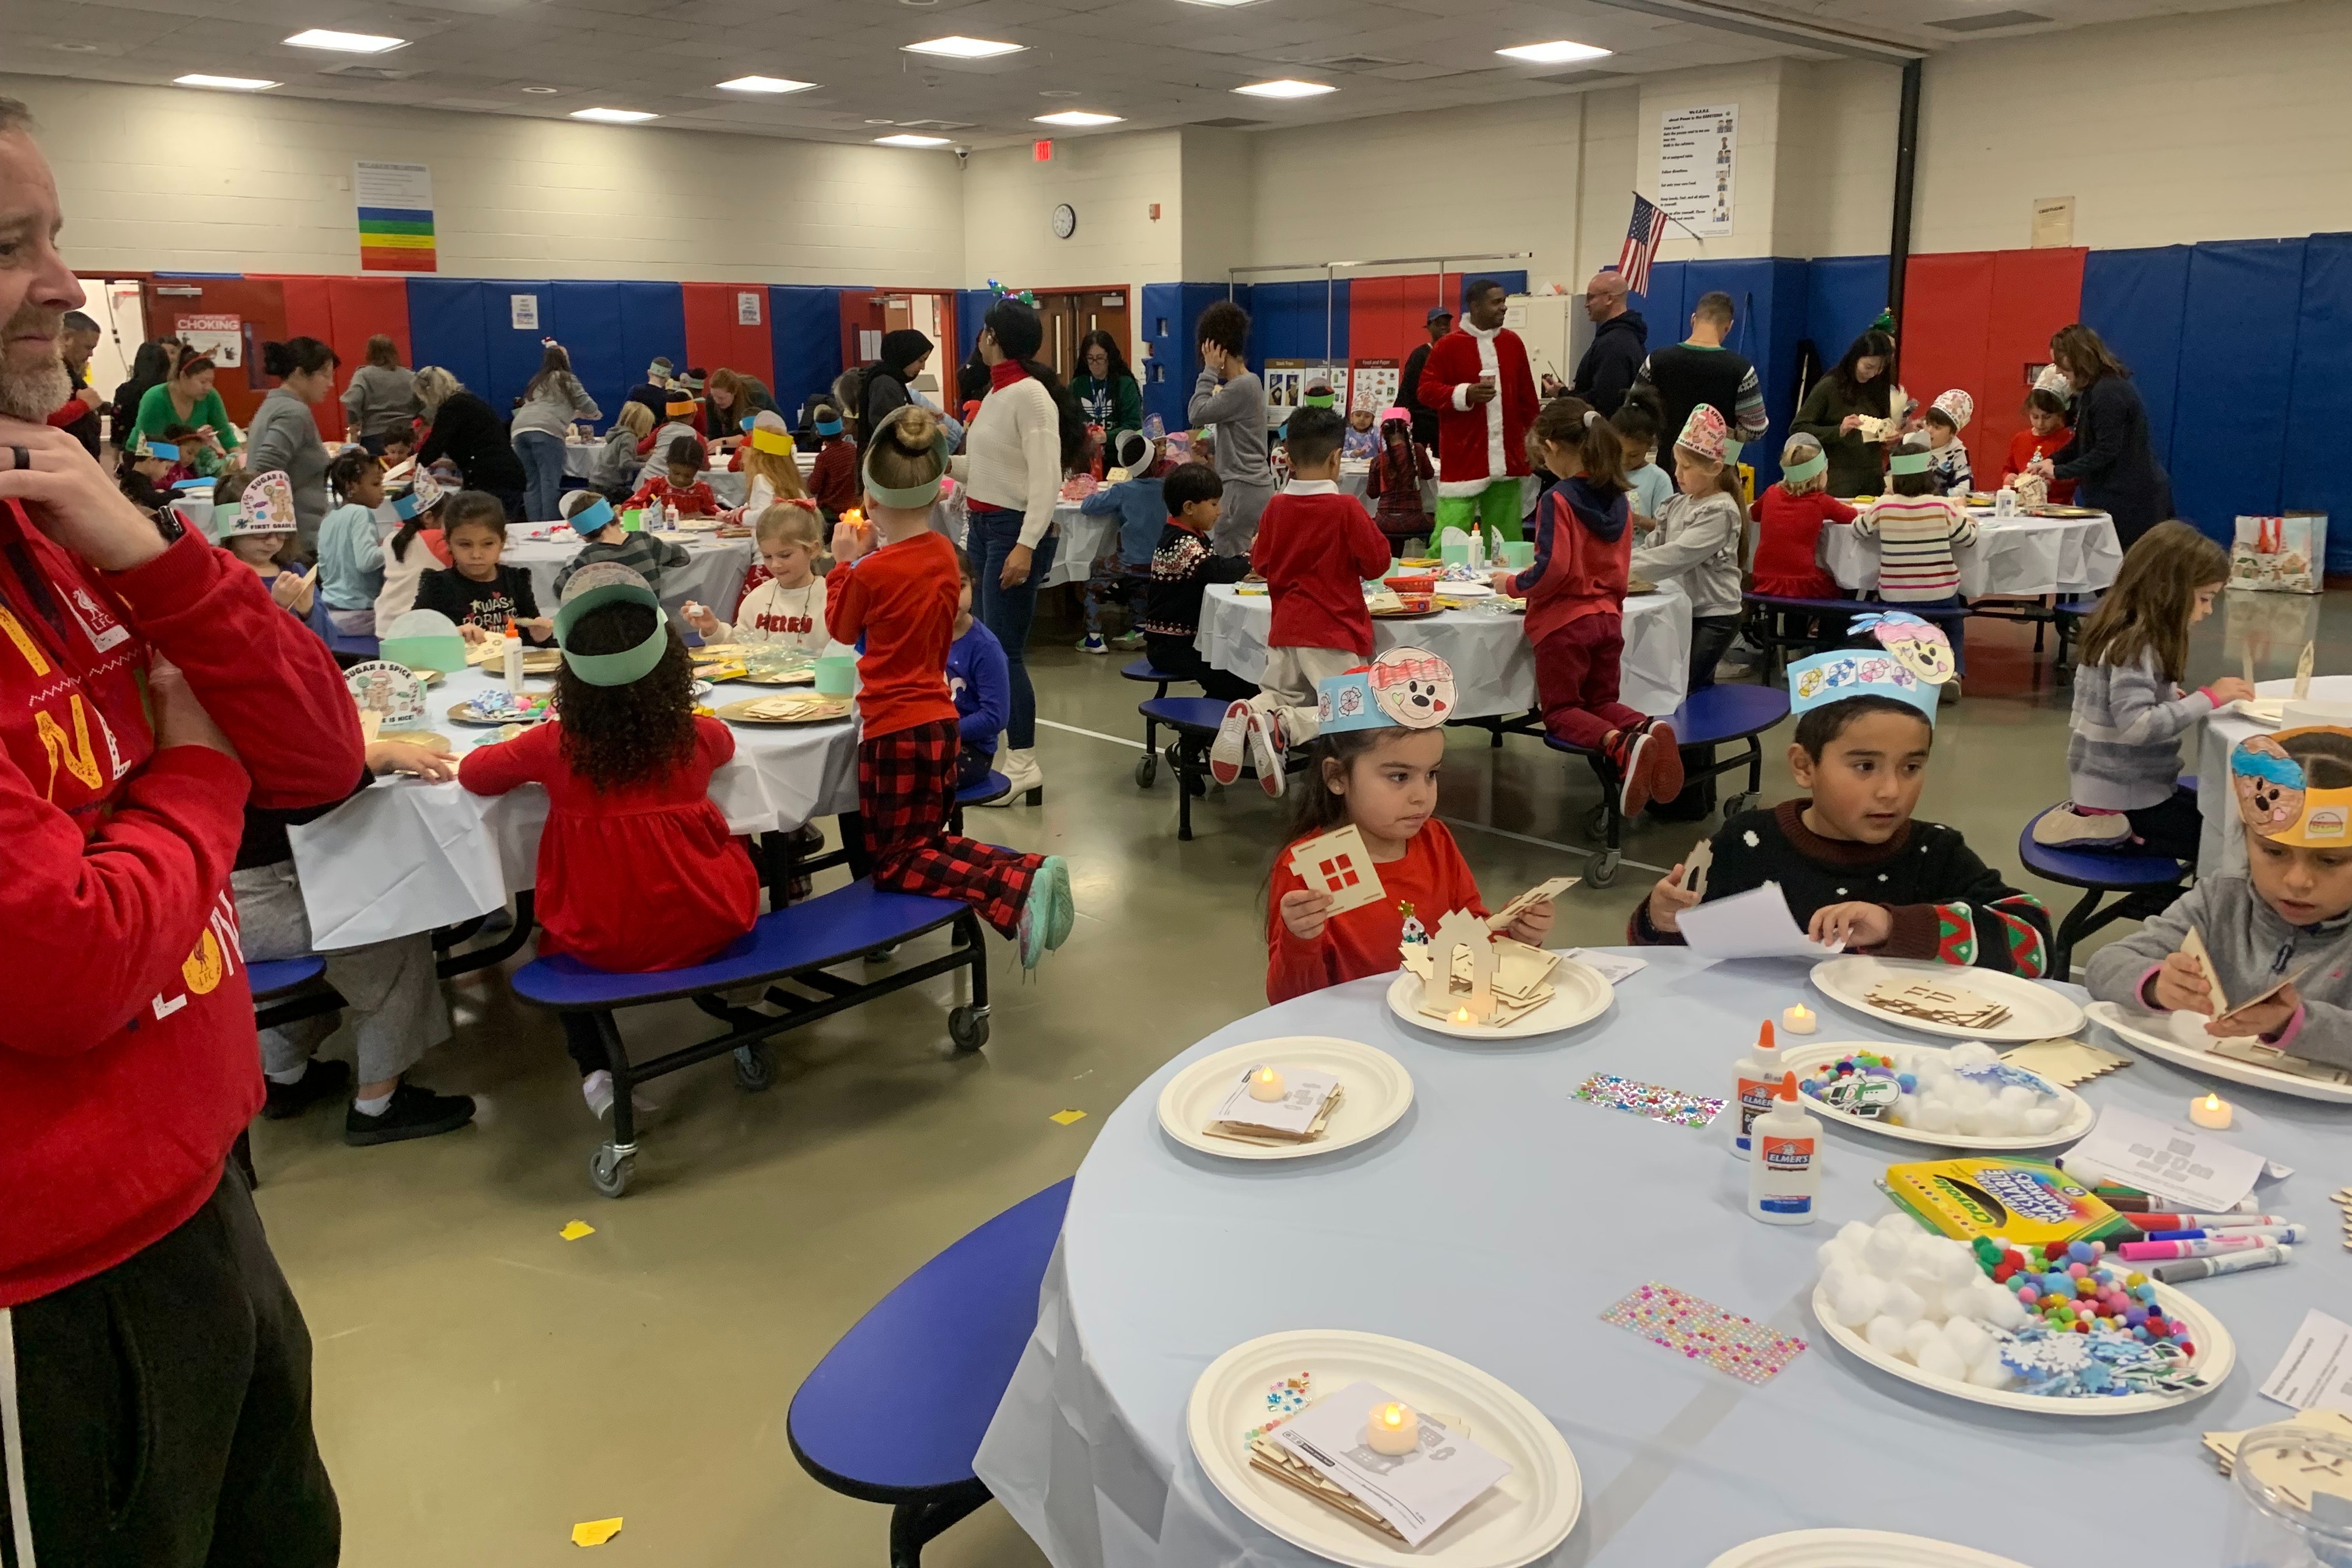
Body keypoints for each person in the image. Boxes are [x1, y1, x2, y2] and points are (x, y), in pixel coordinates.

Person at [0, 90, 360, 1563]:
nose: (60, 285)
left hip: (204, 1183)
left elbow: (321, 753)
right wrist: (196, 784)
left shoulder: (57, 501)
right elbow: (62, 964)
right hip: (49, 1294)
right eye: (6, 244)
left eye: (56, 236)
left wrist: (154, 556)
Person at [460, 562, 760, 1119]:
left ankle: (597, 1073)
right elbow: (726, 744)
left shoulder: (555, 745)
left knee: (553, 944)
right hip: (711, 916)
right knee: (743, 852)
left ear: (569, 674)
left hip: (598, 937)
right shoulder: (694, 736)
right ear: (672, 664)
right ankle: (741, 1009)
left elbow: (475, 773)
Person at [826, 404, 1072, 963]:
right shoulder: (943, 555)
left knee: (894, 860)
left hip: (893, 728)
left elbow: (842, 628)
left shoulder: (868, 572)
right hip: (940, 721)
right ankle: (1022, 869)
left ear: (869, 498)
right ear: (940, 490)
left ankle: (1015, 885)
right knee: (925, 843)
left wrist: (842, 564)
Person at [1636, 645, 2052, 971]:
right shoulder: (1746, 843)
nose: (1891, 790)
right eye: (1865, 766)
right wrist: (1658, 919)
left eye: (1912, 766)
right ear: (1804, 766)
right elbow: (1668, 963)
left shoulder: (1936, 854)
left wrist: (1896, 926)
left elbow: (2037, 947)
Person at [1267, 649, 1557, 1004]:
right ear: (1336, 776)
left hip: (1439, 1021)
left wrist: (1515, 933)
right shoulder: (1303, 869)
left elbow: (1472, 938)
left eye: (1431, 774)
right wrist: (1300, 941)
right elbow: (1287, 1003)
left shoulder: (1436, 840)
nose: (1422, 796)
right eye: (1399, 776)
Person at [2086, 723, 2352, 1067]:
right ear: (2246, 840)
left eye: (2329, 860)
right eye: (2273, 852)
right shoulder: (2221, 900)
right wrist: (2157, 984)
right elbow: (2105, 966)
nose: (2297, 880)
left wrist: (2294, 1022)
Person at [1494, 396, 1683, 815]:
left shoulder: (1558, 499)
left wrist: (1510, 583)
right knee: (1601, 702)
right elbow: (1621, 566)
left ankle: (1622, 746)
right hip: (1608, 621)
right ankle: (1647, 728)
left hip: (1564, 626)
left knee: (1561, 712)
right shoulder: (1619, 500)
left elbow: (1553, 570)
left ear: (1554, 447)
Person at [2036, 522, 2247, 856]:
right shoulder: (2138, 645)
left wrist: (2165, 698)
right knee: (2227, 841)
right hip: (2126, 799)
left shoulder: (2122, 629)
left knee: (2224, 818)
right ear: (2169, 591)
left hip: (2120, 789)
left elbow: (2109, 705)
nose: (2208, 611)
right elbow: (2137, 726)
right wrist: (2207, 699)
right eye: (2204, 599)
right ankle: (2106, 832)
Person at [1210, 405, 1390, 797]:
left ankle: (1254, 712)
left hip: (1285, 628)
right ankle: (1286, 728)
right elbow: (1377, 563)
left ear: (1287, 457)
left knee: (1282, 693)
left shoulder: (1276, 506)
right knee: (1354, 710)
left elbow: (1260, 562)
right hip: (1333, 629)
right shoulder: (1345, 508)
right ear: (1336, 458)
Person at [964, 297, 1086, 806]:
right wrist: (930, 463)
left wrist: (1025, 545)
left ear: (993, 336)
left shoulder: (1032, 397)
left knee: (1005, 652)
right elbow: (985, 468)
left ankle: (1024, 763)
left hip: (1013, 532)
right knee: (985, 648)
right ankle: (995, 758)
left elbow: (1045, 480)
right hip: (983, 525)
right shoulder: (996, 395)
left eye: (983, 331)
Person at [1419, 279, 1541, 543]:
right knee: (1450, 535)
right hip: (1463, 458)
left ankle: (1505, 583)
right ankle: (1441, 582)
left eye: (1504, 301)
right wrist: (1464, 394)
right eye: (1496, 302)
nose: (1504, 308)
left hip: (1508, 459)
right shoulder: (1448, 346)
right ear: (1475, 306)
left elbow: (1528, 399)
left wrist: (1534, 440)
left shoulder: (1513, 343)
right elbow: (1425, 391)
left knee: (1505, 540)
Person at [1635, 405, 1746, 690]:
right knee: (1681, 686)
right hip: (1684, 609)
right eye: (1677, 464)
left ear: (1715, 469)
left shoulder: (1720, 510)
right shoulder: (1678, 504)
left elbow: (1677, 556)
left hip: (1715, 616)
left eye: (1687, 467)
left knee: (1683, 685)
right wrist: (1613, 558)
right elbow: (1652, 546)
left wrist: (1619, 567)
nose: (1677, 474)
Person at [1852, 434, 1977, 684]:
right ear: (1929, 477)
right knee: (1954, 623)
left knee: (1888, 625)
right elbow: (1969, 539)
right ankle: (1953, 672)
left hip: (1896, 598)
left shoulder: (1883, 506)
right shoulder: (1943, 507)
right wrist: (1964, 515)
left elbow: (1858, 530)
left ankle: (1893, 668)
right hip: (1940, 596)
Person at [2032, 324, 2171, 547]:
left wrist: (2059, 472)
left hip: (2131, 501)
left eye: (2059, 364)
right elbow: (2082, 441)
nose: (2057, 371)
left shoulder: (2108, 393)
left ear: (2078, 358)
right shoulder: (2093, 390)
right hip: (2115, 496)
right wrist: (2052, 460)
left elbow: (2105, 452)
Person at [1141, 463, 1257, 702]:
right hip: (1172, 646)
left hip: (1186, 643)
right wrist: (1253, 557)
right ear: (1189, 508)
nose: (1220, 511)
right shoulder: (1180, 543)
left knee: (1240, 678)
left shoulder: (1194, 537)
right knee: (1240, 682)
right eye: (1214, 504)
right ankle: (1193, 737)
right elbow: (1213, 570)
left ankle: (1201, 734)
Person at [1636, 291, 1769, 482]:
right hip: (1717, 476)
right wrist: (1725, 435)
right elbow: (1756, 428)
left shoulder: (1655, 361)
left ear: (1693, 319)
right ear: (1728, 327)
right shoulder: (1741, 369)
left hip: (1668, 473)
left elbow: (1634, 413)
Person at [1188, 300, 1276, 556]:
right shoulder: (1252, 383)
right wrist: (1214, 444)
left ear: (1217, 351)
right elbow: (1248, 434)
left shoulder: (1240, 386)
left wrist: (1209, 371)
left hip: (1240, 488)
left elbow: (1196, 412)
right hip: (1254, 487)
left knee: (1231, 564)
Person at [685, 501, 828, 650]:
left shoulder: (830, 599)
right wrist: (714, 629)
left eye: (785, 556)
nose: (775, 565)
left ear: (813, 550)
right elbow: (738, 647)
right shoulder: (757, 598)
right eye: (767, 556)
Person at [246, 336, 340, 549]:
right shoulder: (294, 412)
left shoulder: (275, 404)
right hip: (297, 538)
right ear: (299, 373)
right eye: (325, 375)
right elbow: (264, 471)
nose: (330, 383)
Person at [1076, 428, 1164, 654]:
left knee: (1093, 578)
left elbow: (1088, 507)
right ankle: (1141, 625)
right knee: (1138, 582)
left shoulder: (1122, 491)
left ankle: (1094, 637)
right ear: (1154, 462)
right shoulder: (1166, 488)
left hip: (1129, 561)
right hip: (1158, 561)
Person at [416, 498, 552, 643]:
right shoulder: (438, 586)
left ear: (502, 542)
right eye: (465, 545)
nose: (476, 555)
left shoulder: (516, 580)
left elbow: (533, 635)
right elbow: (414, 635)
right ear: (449, 543)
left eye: (488, 544)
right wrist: (451, 634)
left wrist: (540, 636)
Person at [1790, 329, 1898, 499]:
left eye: (1880, 369)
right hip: (1839, 477)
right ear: (1856, 358)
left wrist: (1889, 438)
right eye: (1868, 367)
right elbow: (1798, 428)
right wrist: (1838, 431)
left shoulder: (1879, 385)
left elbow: (1883, 423)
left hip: (1873, 476)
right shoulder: (1830, 386)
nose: (1873, 374)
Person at [1751, 432, 1857, 599]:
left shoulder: (1771, 493)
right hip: (1801, 582)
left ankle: (1796, 625)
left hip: (1762, 578)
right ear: (1819, 476)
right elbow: (1852, 516)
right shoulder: (1820, 501)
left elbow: (1754, 515)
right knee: (1842, 589)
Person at [415, 365, 528, 519]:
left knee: (488, 529)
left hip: (494, 480)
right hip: (505, 474)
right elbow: (480, 444)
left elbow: (433, 447)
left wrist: (415, 464)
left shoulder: (451, 408)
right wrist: (452, 463)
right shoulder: (469, 401)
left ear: (429, 392)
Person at [510, 341, 601, 522]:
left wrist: (573, 413)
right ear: (564, 360)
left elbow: (545, 408)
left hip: (519, 430)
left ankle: (533, 527)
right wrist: (594, 414)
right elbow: (589, 406)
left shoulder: (537, 381)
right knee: (549, 483)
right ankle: (550, 526)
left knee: (531, 484)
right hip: (547, 433)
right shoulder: (567, 378)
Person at [946, 551, 1013, 791]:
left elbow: (996, 716)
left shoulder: (985, 648)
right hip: (931, 740)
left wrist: (942, 732)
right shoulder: (920, 636)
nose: (953, 597)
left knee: (914, 778)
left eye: (961, 586)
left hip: (971, 751)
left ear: (972, 586)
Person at [554, 488, 690, 597]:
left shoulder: (589, 556)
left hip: (610, 628)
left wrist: (569, 567)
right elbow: (683, 556)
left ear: (583, 536)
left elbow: (561, 589)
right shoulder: (644, 540)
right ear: (617, 516)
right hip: (653, 621)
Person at [214, 469, 314, 615]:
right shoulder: (219, 577)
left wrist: (307, 611)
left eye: (281, 533)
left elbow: (326, 636)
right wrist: (278, 607)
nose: (272, 542)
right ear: (231, 532)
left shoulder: (295, 573)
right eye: (261, 533)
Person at [316, 446, 389, 634]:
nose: (382, 491)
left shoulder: (329, 518)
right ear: (352, 487)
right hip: (359, 615)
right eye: (376, 484)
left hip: (329, 612)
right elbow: (366, 562)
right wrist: (392, 543)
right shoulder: (360, 513)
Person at [373, 473, 455, 634]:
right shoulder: (436, 539)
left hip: (386, 624)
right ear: (428, 517)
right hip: (416, 627)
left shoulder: (392, 538)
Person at [133, 344, 240, 464]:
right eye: (203, 381)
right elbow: (152, 446)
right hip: (147, 460)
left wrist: (241, 459)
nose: (208, 387)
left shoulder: (211, 397)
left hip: (186, 462)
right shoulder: (155, 398)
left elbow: (225, 433)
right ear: (183, 376)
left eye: (211, 382)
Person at [1571, 270, 1647, 417]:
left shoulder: (1614, 344)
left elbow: (1606, 401)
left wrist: (1566, 397)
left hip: (1606, 433)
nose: (1586, 305)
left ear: (1609, 299)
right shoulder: (1626, 336)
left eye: (1591, 297)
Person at [1366, 404, 1434, 553]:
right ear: (1409, 429)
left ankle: (1393, 560)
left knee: (1388, 531)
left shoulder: (1378, 460)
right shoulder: (1418, 451)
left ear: (1383, 433)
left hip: (1384, 521)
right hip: (1414, 520)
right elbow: (1429, 474)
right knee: (1435, 516)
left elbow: (1372, 494)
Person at [340, 334, 418, 456]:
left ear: (369, 353)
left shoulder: (363, 375)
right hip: (405, 438)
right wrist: (421, 426)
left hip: (374, 438)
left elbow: (352, 400)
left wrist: (353, 428)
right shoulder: (410, 376)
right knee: (407, 473)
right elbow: (427, 403)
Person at [2002, 379, 2076, 501]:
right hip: (2023, 504)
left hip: (2057, 507)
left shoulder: (2068, 439)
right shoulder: (2020, 439)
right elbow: (2009, 468)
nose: (2040, 423)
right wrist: (2008, 477)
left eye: (2047, 417)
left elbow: (2074, 477)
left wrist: (2049, 484)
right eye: (2035, 417)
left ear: (2059, 414)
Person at [730, 410, 810, 523]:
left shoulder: (762, 479)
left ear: (756, 456)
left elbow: (764, 515)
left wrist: (740, 516)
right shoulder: (792, 482)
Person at [858, 328, 933, 447]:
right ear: (906, 355)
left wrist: (922, 415)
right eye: (920, 360)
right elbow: (888, 429)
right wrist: (930, 429)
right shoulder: (885, 384)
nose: (923, 367)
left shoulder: (892, 379)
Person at [1613, 386, 1672, 531]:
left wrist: (1638, 520)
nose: (1625, 460)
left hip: (1644, 552)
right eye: (1619, 452)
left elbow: (1667, 527)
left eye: (1634, 455)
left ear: (1649, 446)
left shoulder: (1658, 479)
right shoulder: (1606, 472)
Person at [46, 308, 102, 459]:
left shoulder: (68, 371)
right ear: (67, 338)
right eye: (88, 347)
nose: (91, 354)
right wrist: (82, 405)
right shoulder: (44, 370)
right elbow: (42, 416)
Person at [1396, 305, 1451, 453]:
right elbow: (1407, 389)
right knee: (1419, 467)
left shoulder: (1453, 354)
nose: (1444, 327)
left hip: (1446, 423)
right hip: (1421, 422)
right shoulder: (1419, 355)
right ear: (1429, 327)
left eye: (1446, 324)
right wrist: (1397, 420)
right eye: (1438, 323)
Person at [626, 434, 720, 517]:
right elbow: (627, 508)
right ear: (668, 463)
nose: (681, 480)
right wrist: (652, 513)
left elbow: (719, 516)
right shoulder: (656, 486)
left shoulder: (702, 490)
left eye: (688, 476)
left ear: (697, 471)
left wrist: (702, 517)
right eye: (676, 473)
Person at [1072, 329, 1143, 435]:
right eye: (1090, 358)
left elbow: (1133, 424)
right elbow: (1068, 421)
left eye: (1100, 358)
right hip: (1085, 448)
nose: (1095, 363)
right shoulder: (1077, 385)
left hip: (1117, 448)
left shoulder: (1125, 384)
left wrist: (1107, 437)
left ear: (1109, 357)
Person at [110, 337, 175, 446]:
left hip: (133, 447)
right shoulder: (169, 391)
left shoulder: (125, 390)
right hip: (167, 448)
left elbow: (118, 423)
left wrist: (116, 450)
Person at [806, 401, 858, 518]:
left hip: (830, 512)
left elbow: (813, 488)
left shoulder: (823, 458)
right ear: (842, 431)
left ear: (818, 434)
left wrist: (809, 478)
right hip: (852, 507)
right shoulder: (852, 449)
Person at [705, 365, 777, 447]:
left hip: (771, 434)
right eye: (713, 396)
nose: (717, 401)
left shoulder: (755, 394)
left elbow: (754, 436)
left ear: (734, 392)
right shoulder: (712, 399)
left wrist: (724, 442)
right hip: (736, 432)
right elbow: (713, 434)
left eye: (721, 398)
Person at [593, 401, 654, 497]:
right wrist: (647, 465)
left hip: (598, 481)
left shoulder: (618, 434)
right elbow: (625, 464)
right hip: (609, 485)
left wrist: (642, 458)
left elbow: (620, 458)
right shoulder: (630, 437)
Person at [1923, 390, 1975, 498]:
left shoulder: (1957, 453)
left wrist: (1937, 496)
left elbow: (1965, 489)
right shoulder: (1913, 442)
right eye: (1928, 424)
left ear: (1953, 433)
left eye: (1937, 427)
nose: (1929, 430)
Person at [626, 356, 676, 421]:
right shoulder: (668, 398)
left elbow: (625, 415)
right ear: (667, 379)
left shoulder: (635, 390)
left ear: (649, 373)